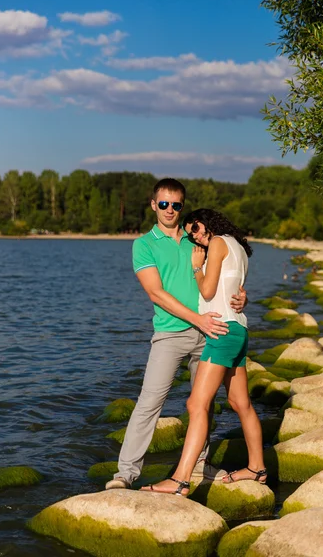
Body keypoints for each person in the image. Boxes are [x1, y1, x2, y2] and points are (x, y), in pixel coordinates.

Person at [106, 180, 246, 490]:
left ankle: (199, 465)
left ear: (182, 206)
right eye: (164, 204)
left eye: (177, 205)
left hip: (211, 331)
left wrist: (240, 296)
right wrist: (198, 319)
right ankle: (125, 474)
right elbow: (156, 293)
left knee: (203, 402)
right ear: (154, 205)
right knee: (150, 402)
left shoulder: (198, 237)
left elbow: (225, 273)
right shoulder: (144, 244)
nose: (171, 210)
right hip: (170, 334)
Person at [141, 208, 266, 496]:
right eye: (190, 235)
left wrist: (197, 267)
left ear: (208, 222)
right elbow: (235, 290)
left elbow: (209, 292)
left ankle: (180, 479)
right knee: (240, 403)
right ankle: (257, 468)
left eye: (195, 229)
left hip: (221, 332)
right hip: (238, 330)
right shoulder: (238, 247)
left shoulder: (219, 242)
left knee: (196, 405)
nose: (195, 237)